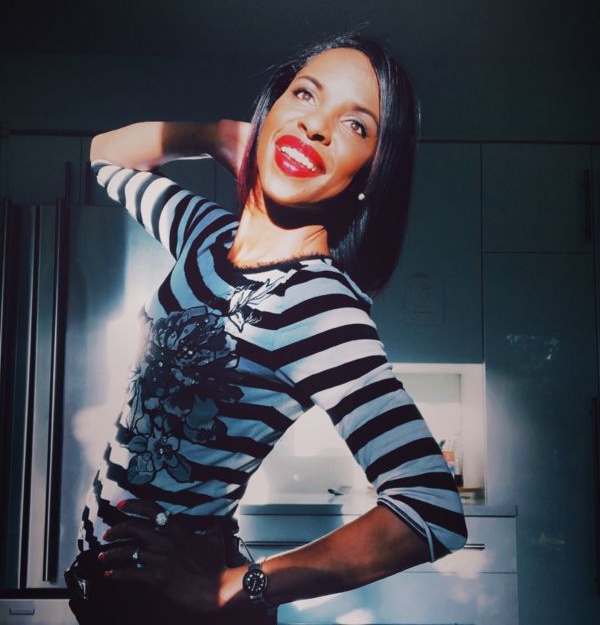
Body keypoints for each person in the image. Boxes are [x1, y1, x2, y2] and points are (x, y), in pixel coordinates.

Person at [65, 32, 468, 624]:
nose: (316, 126)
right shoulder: (205, 235)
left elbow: (431, 508)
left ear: (370, 175)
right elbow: (104, 154)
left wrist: (238, 587)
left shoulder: (319, 303)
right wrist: (217, 136)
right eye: (305, 95)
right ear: (271, 108)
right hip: (107, 591)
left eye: (355, 125)